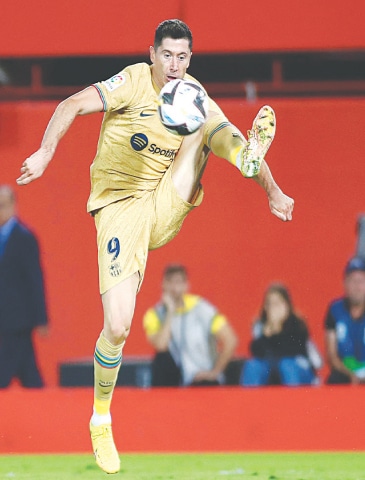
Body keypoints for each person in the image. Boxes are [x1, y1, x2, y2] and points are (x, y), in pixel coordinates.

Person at [16, 19, 294, 474]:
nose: (175, 65)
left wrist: (272, 190)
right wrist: (46, 152)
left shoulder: (192, 94)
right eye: (167, 55)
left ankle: (245, 161)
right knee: (120, 326)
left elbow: (219, 128)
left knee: (211, 127)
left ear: (190, 58)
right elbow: (71, 103)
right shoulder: (131, 82)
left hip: (164, 200)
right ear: (152, 54)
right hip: (119, 209)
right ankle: (101, 417)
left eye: (183, 57)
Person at [143, 264, 238, 387]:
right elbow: (161, 345)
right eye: (170, 282)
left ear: (186, 285)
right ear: (163, 285)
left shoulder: (201, 308)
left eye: (178, 282)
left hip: (203, 378)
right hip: (179, 379)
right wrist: (170, 312)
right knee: (161, 360)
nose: (174, 287)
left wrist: (214, 372)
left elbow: (231, 340)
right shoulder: (155, 314)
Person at [0, 185, 48, 388]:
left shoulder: (25, 238)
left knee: (7, 366)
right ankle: (44, 404)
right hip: (4, 318)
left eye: (3, 206)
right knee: (28, 370)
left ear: (13, 206)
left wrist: (41, 318)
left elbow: (34, 280)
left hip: (18, 318)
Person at [240, 283, 320, 386]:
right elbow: (256, 351)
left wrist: (277, 328)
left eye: (277, 303)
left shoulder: (298, 324)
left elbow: (291, 349)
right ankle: (249, 401)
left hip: (299, 368)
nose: (274, 308)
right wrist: (266, 334)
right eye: (270, 304)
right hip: (272, 368)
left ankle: (294, 401)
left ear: (286, 305)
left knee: (287, 365)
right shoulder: (261, 326)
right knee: (253, 366)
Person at [324, 256, 365, 385]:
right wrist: (350, 374)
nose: (357, 286)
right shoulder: (335, 311)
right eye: (352, 281)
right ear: (345, 284)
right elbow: (331, 354)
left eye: (361, 281)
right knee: (334, 381)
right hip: (345, 371)